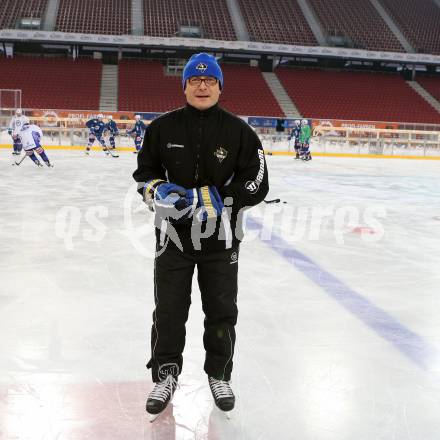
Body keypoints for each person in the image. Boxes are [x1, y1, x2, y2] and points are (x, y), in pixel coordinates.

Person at [133, 52, 269, 420]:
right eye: (195, 80)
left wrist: (221, 198)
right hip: (173, 237)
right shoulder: (161, 128)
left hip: (221, 238)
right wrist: (155, 191)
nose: (203, 85)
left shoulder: (241, 132)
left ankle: (219, 374)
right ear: (185, 86)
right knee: (169, 311)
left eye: (210, 81)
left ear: (220, 86)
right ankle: (165, 376)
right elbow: (143, 174)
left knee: (222, 311)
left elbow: (257, 183)